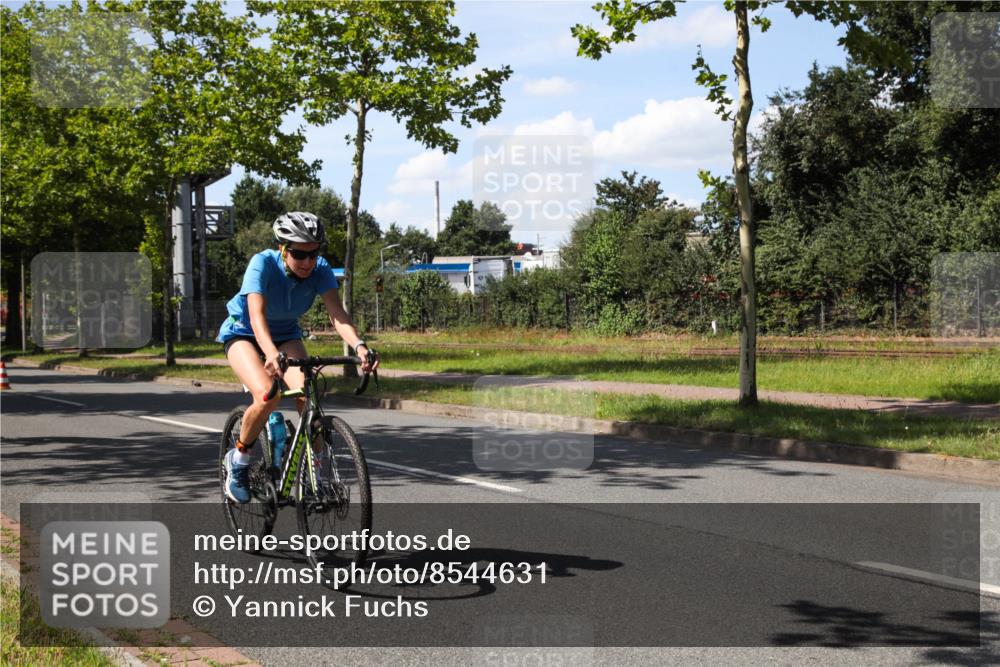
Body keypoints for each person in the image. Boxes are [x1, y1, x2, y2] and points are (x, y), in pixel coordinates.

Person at [216, 211, 378, 504]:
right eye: (299, 254)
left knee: (308, 394)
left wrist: (360, 346)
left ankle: (316, 474)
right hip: (244, 333)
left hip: (286, 335)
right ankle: (238, 459)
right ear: (282, 249)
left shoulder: (321, 269)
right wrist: (270, 353)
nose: (307, 262)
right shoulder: (262, 264)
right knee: (268, 394)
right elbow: (256, 316)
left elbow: (337, 314)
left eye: (313, 254)